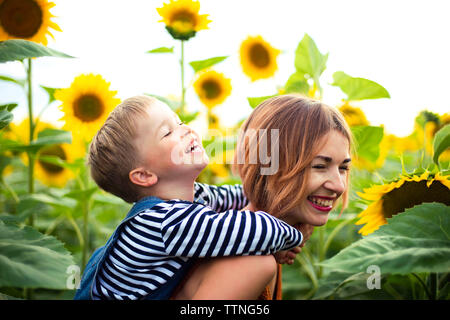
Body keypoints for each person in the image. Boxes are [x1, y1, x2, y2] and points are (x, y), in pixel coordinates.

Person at [74, 95, 307, 300]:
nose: (186, 129)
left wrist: (287, 191)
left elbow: (242, 196)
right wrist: (293, 236)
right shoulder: (164, 222)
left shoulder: (195, 196)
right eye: (168, 132)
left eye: (180, 122)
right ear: (144, 175)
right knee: (257, 259)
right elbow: (248, 228)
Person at [171, 94, 352, 299]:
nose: (339, 185)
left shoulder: (265, 249)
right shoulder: (252, 264)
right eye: (319, 166)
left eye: (343, 167)